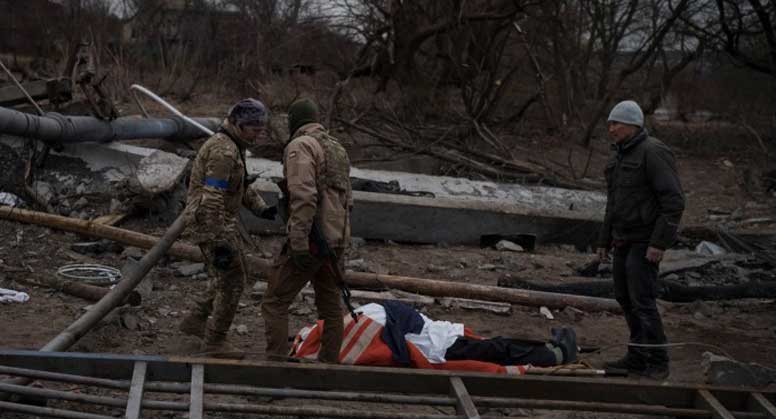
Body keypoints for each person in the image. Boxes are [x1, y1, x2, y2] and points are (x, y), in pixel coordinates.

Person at [179, 98, 278, 357]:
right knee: (233, 281)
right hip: (211, 224)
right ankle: (215, 342)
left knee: (228, 275)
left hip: (219, 223)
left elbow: (239, 185)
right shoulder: (223, 152)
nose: (259, 134)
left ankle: (196, 320)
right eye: (255, 129)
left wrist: (262, 209)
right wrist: (218, 240)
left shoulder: (234, 145)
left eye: (261, 129)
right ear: (239, 125)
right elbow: (213, 196)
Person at [596, 100, 685, 379]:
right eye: (610, 124)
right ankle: (636, 357)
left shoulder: (653, 152)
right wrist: (603, 241)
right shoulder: (618, 158)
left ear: (633, 124)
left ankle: (658, 362)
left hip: (645, 242)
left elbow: (673, 201)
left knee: (643, 301)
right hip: (623, 238)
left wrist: (659, 243)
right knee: (624, 298)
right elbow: (613, 204)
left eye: (617, 124)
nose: (611, 129)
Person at [261, 98, 353, 363]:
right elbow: (349, 198)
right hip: (335, 239)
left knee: (274, 302)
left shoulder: (301, 145)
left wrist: (299, 242)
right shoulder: (337, 148)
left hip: (313, 238)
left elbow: (303, 196)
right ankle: (328, 366)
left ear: (294, 121)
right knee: (331, 307)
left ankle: (276, 367)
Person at [291, 301, 578, 374]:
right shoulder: (351, 335)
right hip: (432, 345)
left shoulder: (343, 331)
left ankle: (551, 349)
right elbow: (387, 347)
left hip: (422, 334)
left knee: (492, 346)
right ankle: (555, 354)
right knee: (494, 348)